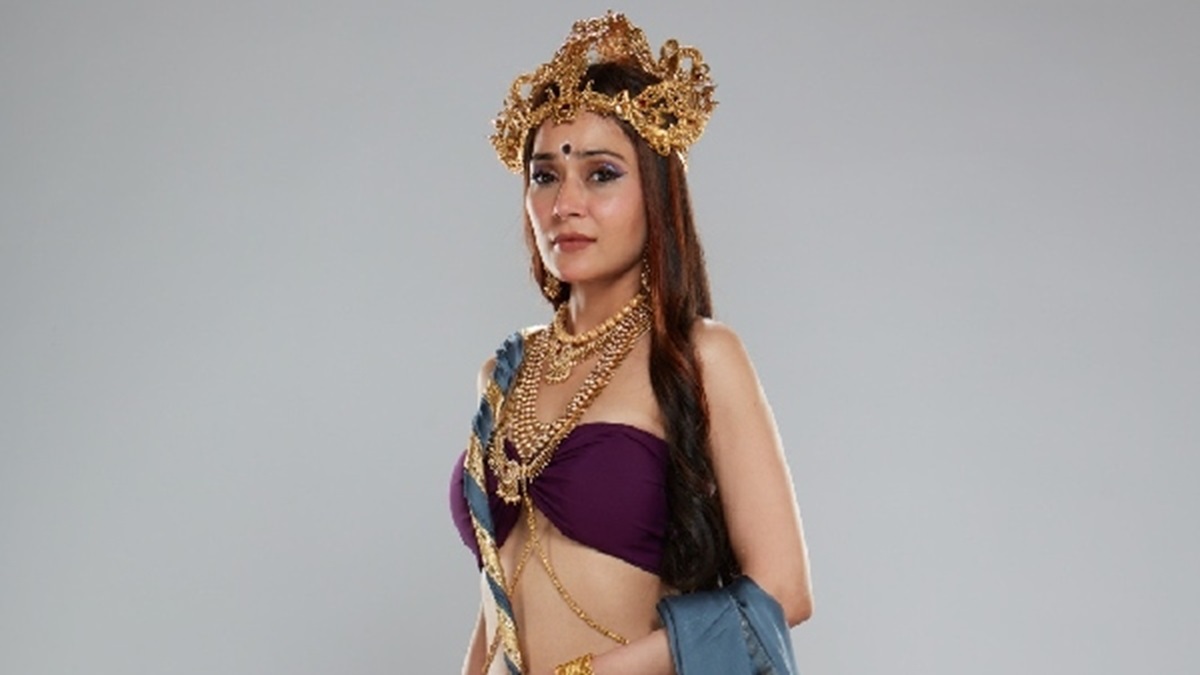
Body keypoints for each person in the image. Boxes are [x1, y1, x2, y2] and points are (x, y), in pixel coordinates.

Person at [449, 12, 813, 675]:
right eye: (545, 175)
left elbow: (782, 589)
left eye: (601, 173)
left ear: (656, 192)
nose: (565, 204)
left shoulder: (700, 357)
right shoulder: (504, 373)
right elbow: (495, 599)